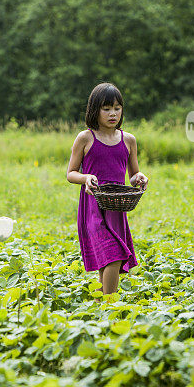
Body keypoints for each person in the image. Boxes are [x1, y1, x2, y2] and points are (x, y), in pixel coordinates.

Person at [66, 82, 148, 295]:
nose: (113, 113)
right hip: (92, 207)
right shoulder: (85, 138)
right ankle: (110, 307)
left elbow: (133, 176)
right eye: (106, 108)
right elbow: (70, 173)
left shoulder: (128, 140)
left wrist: (139, 177)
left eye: (117, 108)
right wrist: (85, 178)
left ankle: (101, 308)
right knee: (113, 255)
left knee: (109, 258)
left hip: (116, 208)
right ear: (95, 110)